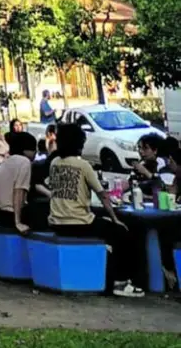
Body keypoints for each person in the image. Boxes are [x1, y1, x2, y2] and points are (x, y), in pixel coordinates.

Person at [48, 121, 143, 298]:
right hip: (79, 223)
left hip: (57, 222)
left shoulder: (54, 163)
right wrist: (115, 219)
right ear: (78, 144)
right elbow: (103, 196)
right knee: (122, 234)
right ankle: (120, 281)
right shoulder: (84, 166)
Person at [0, 132, 40, 234]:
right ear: (25, 150)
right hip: (11, 215)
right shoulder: (24, 162)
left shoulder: (7, 160)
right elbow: (19, 192)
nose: (36, 151)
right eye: (33, 148)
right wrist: (17, 222)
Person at [129, 132, 167, 203]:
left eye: (145, 148)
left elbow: (165, 190)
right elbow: (131, 183)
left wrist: (145, 172)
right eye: (139, 148)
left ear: (155, 150)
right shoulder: (142, 163)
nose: (141, 151)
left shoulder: (163, 163)